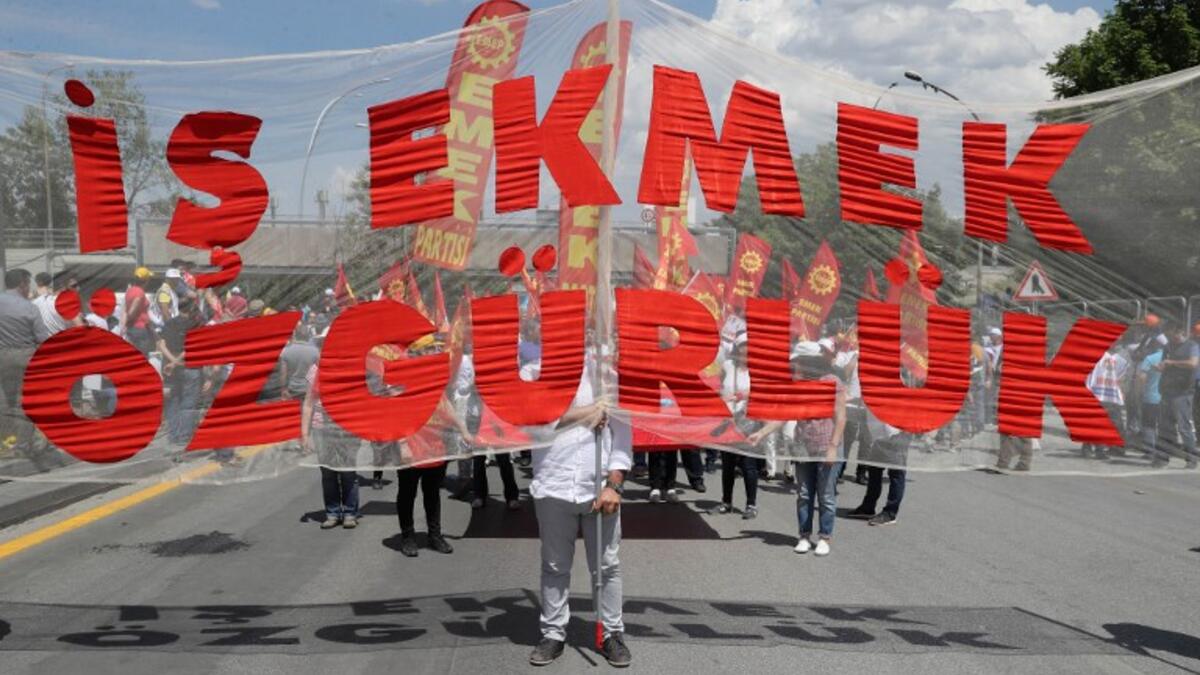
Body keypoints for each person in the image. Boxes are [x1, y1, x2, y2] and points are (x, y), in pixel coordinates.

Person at [527, 365, 631, 668]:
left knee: (607, 567)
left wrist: (614, 485)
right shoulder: (534, 373)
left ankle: (612, 633)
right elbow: (534, 423)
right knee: (555, 565)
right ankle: (553, 633)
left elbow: (623, 436)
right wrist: (586, 413)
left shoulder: (608, 376)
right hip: (552, 485)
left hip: (598, 488)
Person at [751, 341, 846, 556]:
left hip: (826, 446)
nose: (797, 366)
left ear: (812, 361)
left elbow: (841, 418)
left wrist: (833, 446)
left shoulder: (833, 382)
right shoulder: (799, 384)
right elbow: (785, 414)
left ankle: (824, 537)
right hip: (803, 446)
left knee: (826, 495)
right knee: (803, 494)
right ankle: (804, 536)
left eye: (800, 362)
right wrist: (762, 433)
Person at [0, 269, 51, 468]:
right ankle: (21, 445)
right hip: (25, 357)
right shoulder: (29, 308)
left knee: (8, 401)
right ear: (22, 284)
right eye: (27, 283)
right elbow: (42, 339)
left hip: (2, 357)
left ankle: (7, 441)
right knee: (25, 403)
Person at [300, 360, 361, 528]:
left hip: (347, 428)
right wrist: (305, 434)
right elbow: (308, 403)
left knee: (348, 472)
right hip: (322, 428)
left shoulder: (351, 368)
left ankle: (350, 512)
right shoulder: (315, 370)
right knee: (328, 473)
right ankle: (332, 513)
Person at [714, 333, 758, 519]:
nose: (746, 350)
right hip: (727, 421)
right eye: (743, 346)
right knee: (728, 464)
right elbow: (717, 386)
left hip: (748, 422)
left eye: (749, 346)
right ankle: (726, 501)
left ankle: (751, 505)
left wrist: (744, 396)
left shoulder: (756, 370)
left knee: (748, 465)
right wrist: (720, 398)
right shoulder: (727, 366)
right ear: (737, 348)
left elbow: (761, 391)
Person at [157, 297, 205, 446]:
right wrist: (176, 362)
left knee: (173, 402)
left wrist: (171, 362)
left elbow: (161, 345)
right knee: (188, 404)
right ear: (191, 308)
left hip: (171, 371)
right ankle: (184, 438)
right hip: (190, 368)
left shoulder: (169, 323)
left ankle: (173, 436)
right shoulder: (196, 325)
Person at [1157, 322, 1199, 469]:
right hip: (1167, 391)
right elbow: (1164, 363)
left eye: (1172, 333)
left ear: (1180, 332)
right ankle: (1162, 457)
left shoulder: (1192, 346)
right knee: (1164, 426)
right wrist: (1161, 366)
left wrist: (1172, 362)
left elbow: (1193, 364)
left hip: (1183, 393)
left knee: (1184, 427)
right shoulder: (1168, 346)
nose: (1170, 336)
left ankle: (1191, 459)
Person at [1082, 343, 1130, 459]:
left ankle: (1100, 449)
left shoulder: (1118, 359)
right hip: (1101, 394)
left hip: (1108, 395)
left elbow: (1121, 377)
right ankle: (1092, 448)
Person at [1135, 342, 1166, 466]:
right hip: (1167, 399)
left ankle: (1149, 451)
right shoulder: (1171, 358)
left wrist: (1139, 393)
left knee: (1149, 426)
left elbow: (1142, 377)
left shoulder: (1150, 358)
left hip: (1151, 397)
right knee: (1163, 426)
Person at [121, 267, 155, 354]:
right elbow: (134, 306)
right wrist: (131, 316)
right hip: (140, 328)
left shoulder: (130, 290)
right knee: (143, 354)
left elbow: (125, 309)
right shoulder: (140, 292)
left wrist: (124, 324)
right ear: (146, 280)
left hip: (132, 328)